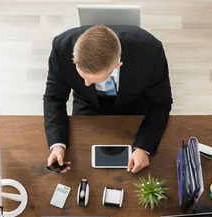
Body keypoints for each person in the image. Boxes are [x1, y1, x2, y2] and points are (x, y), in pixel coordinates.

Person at [43, 24, 172, 174]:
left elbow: (161, 103)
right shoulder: (61, 47)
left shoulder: (151, 50)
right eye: (83, 76)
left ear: (117, 66)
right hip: (88, 102)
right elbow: (53, 98)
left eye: (94, 80)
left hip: (134, 102)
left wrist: (144, 147)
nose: (86, 83)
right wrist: (57, 144)